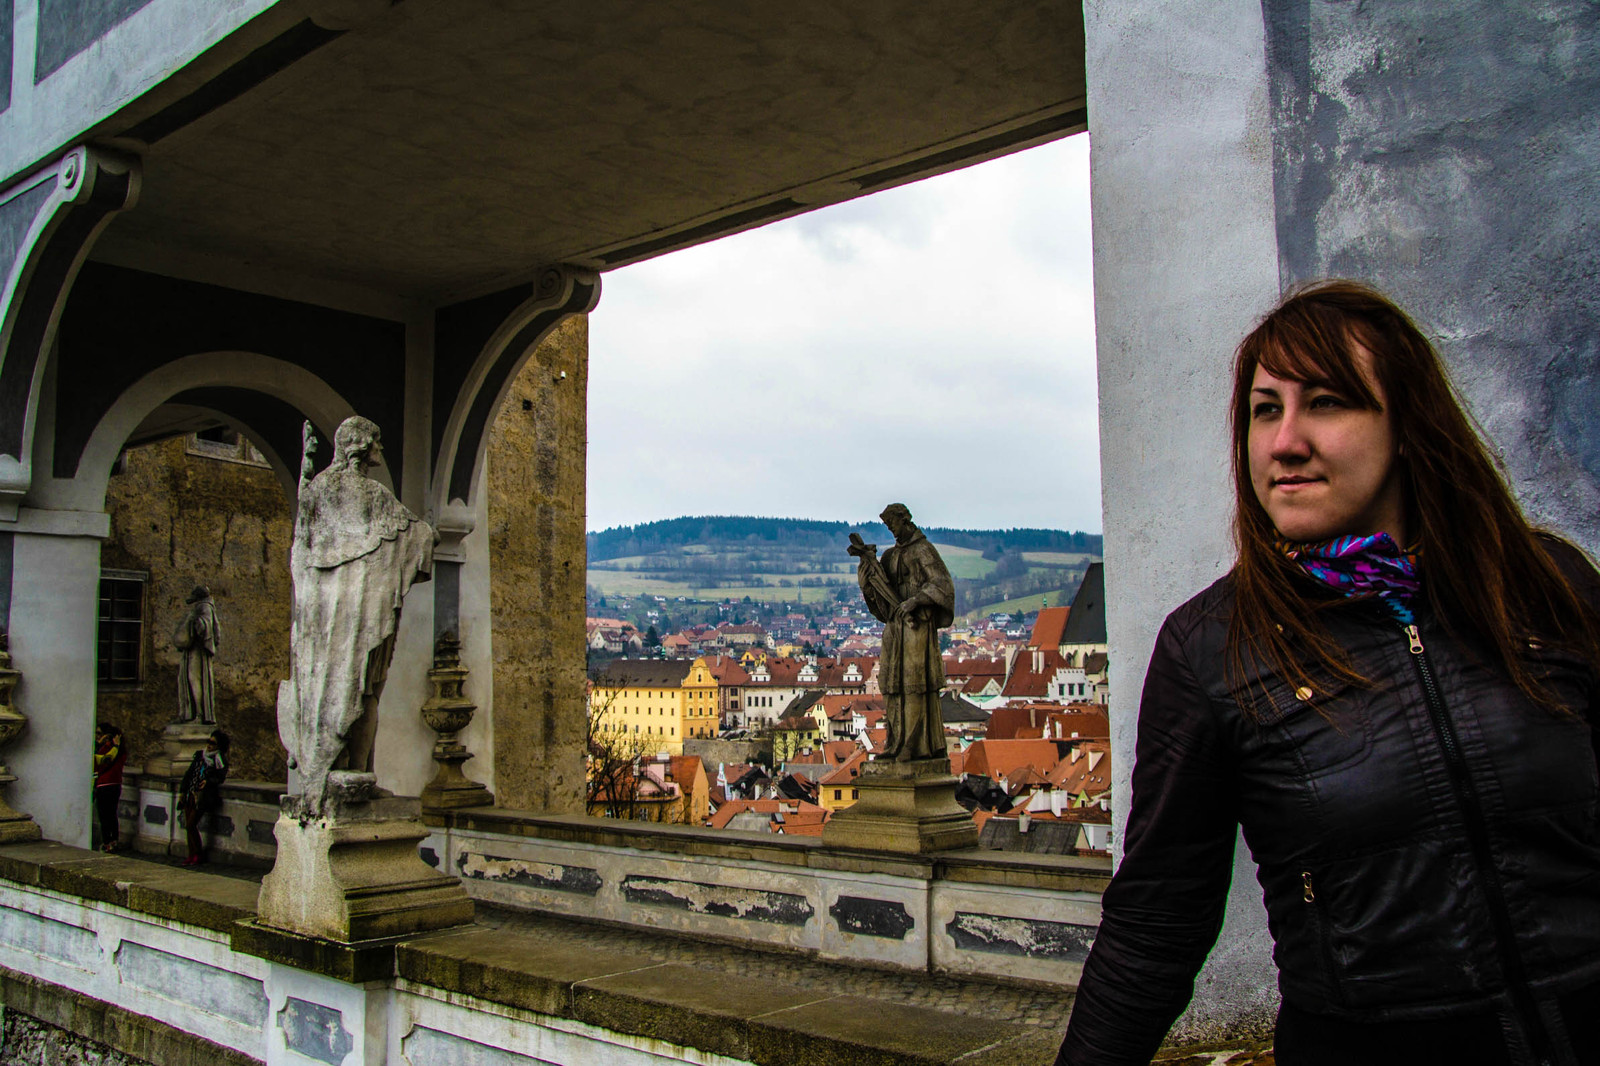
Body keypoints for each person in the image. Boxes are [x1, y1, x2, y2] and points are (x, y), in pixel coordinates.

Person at [1056, 281, 1600, 1066]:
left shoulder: (1545, 583)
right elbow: (1157, 920)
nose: (1285, 443)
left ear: (1408, 425)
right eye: (1264, 410)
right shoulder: (1213, 648)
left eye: (1328, 403)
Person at [281, 416, 432, 814]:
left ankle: (332, 769)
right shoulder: (372, 495)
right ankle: (357, 774)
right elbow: (420, 538)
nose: (381, 451)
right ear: (362, 447)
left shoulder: (315, 491)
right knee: (364, 690)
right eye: (377, 443)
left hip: (318, 622)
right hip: (357, 620)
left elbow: (301, 550)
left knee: (327, 689)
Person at [847, 504, 955, 761]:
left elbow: (943, 585)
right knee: (891, 684)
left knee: (913, 682)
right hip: (895, 627)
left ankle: (914, 744)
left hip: (917, 625)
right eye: (887, 526)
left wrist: (916, 601)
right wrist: (867, 584)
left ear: (905, 520)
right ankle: (895, 742)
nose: (891, 529)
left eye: (892, 524)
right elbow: (883, 605)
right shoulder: (890, 556)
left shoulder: (923, 550)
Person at [178, 729, 230, 866]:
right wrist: (182, 791)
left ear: (219, 746)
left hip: (202, 796)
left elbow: (220, 777)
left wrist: (208, 781)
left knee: (191, 824)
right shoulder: (200, 756)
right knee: (188, 826)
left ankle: (198, 854)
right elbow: (189, 773)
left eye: (212, 743)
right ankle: (191, 854)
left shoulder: (219, 759)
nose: (209, 745)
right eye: (209, 742)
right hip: (191, 793)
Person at [173, 584, 221, 724]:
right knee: (189, 680)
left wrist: (193, 620)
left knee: (195, 681)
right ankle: (190, 713)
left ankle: (199, 714)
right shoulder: (202, 607)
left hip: (199, 651)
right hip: (193, 651)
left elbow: (205, 627)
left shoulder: (205, 607)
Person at [92, 723, 126, 852]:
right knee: (112, 815)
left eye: (100, 734)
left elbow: (99, 762)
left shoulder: (106, 749)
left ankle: (107, 843)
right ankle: (114, 841)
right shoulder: (122, 751)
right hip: (116, 785)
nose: (97, 736)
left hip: (104, 785)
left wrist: (100, 744)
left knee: (104, 816)